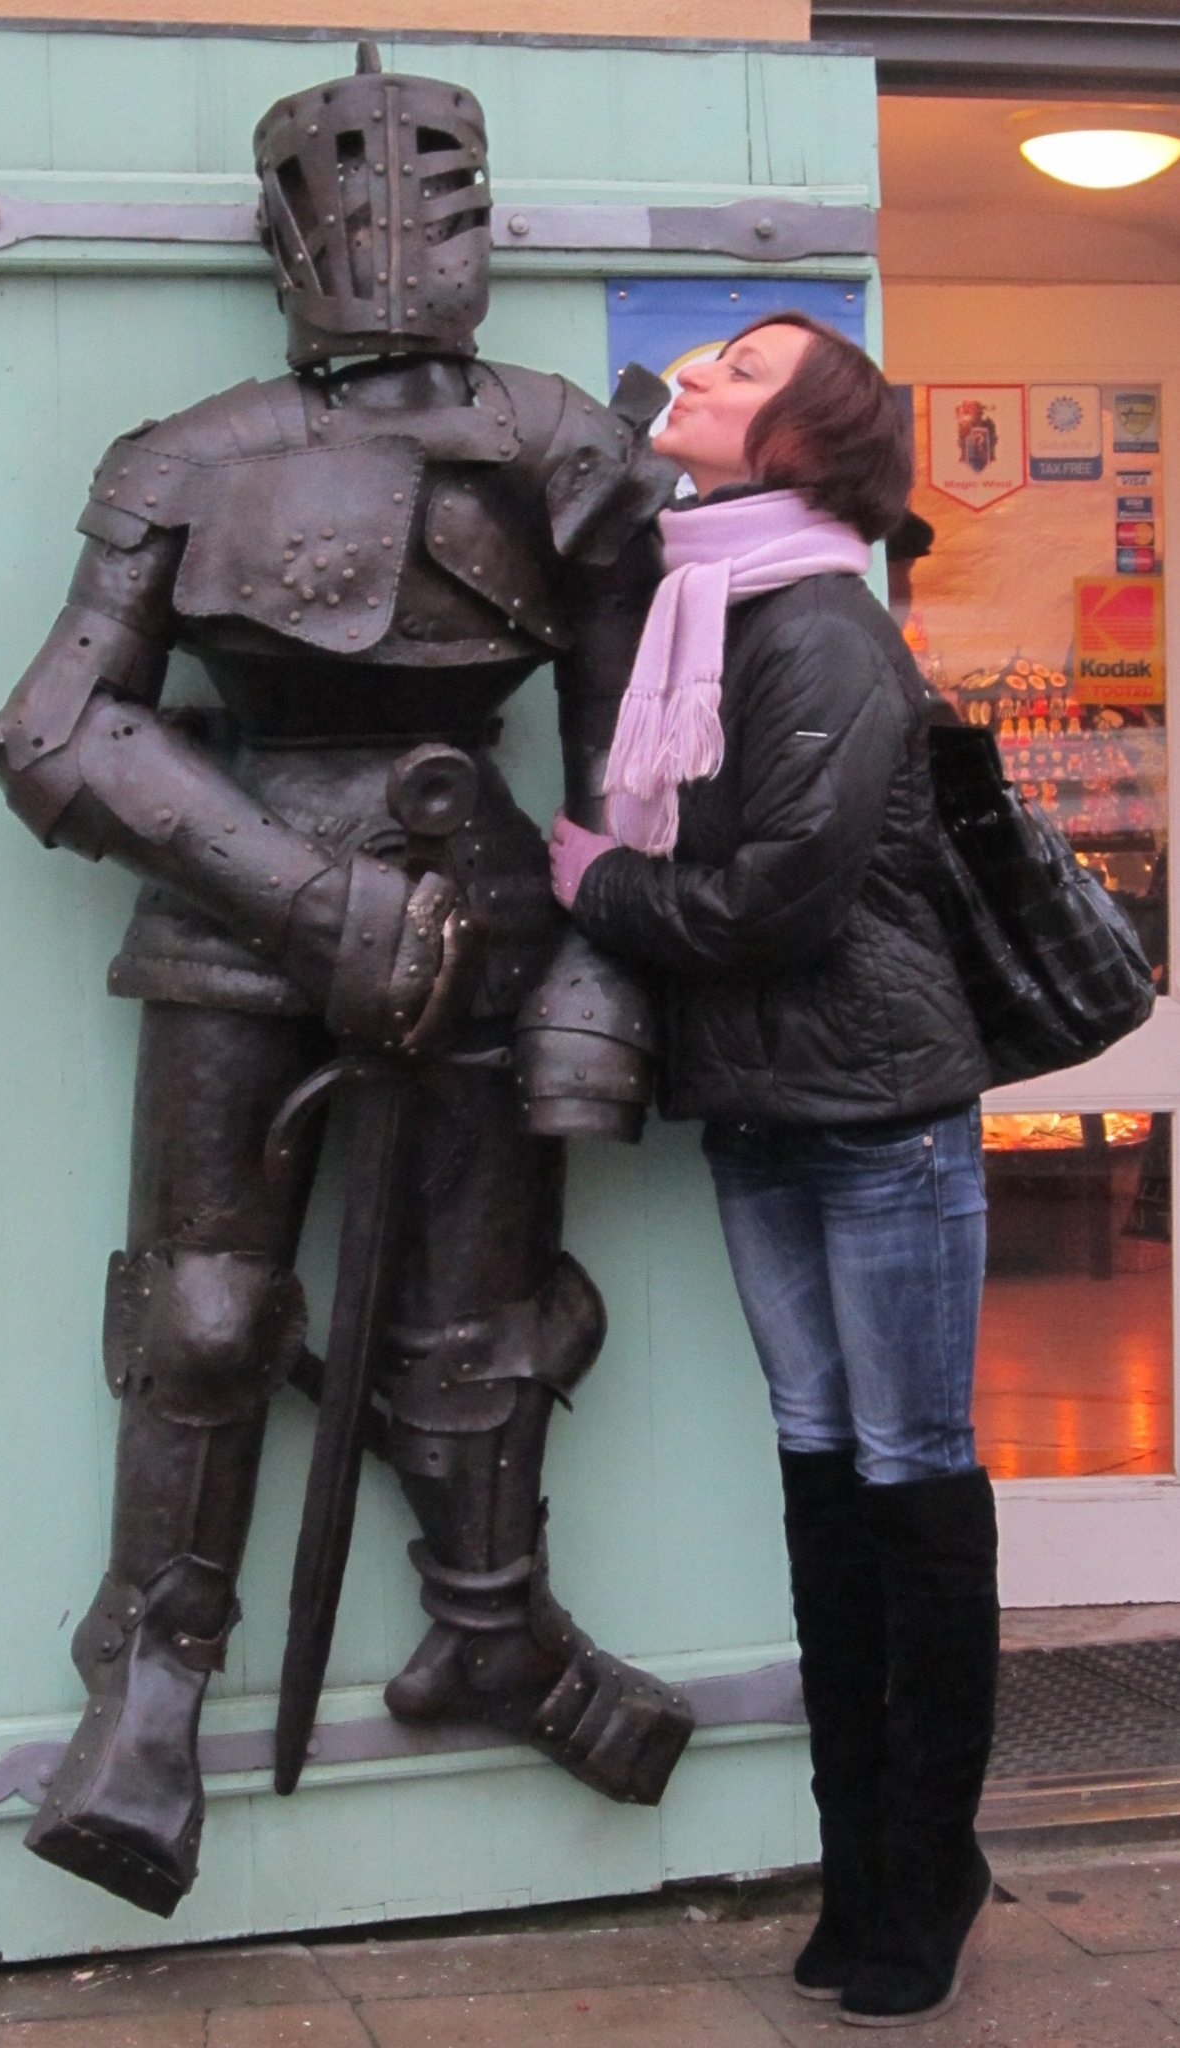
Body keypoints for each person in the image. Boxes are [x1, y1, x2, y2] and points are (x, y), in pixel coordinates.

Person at [0, 45, 693, 1921]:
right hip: (238, 906)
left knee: (482, 1326)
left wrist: (598, 975)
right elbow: (54, 728)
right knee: (209, 1315)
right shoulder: (188, 456)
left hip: (493, 909)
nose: (392, 234)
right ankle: (147, 1675)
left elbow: (630, 757)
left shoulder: (566, 447)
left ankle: (494, 1627)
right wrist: (305, 899)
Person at [549, 313, 998, 2029]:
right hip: (763, 1110)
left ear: (806, 446)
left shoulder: (818, 626)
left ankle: (925, 1876)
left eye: (741, 374)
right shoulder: (705, 600)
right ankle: (861, 1868)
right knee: (824, 1483)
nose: (698, 381)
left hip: (881, 1118)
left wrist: (593, 881)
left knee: (910, 1480)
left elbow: (777, 900)